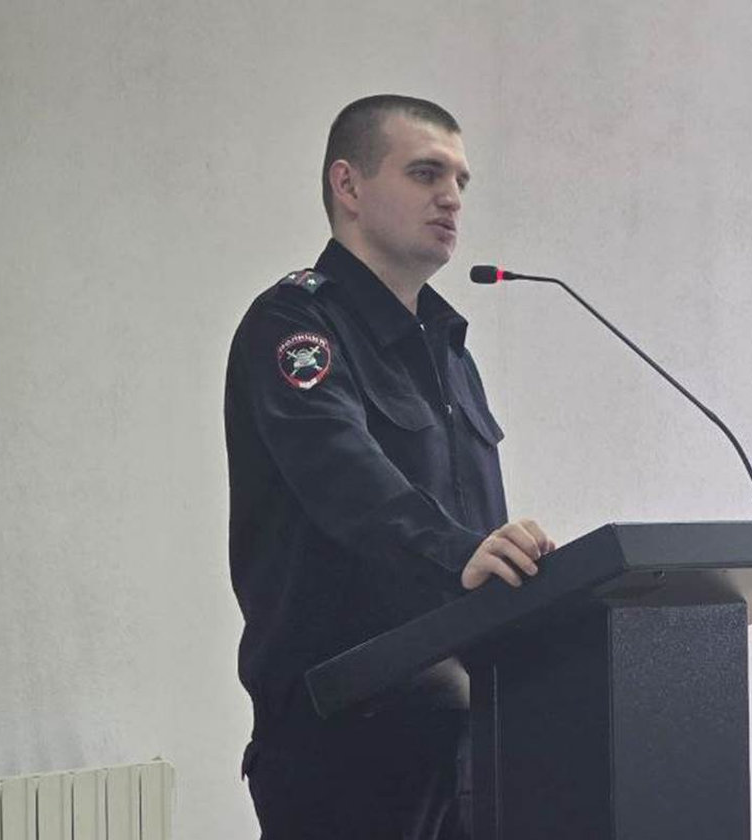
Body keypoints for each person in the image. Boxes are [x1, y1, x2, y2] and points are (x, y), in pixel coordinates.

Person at [224, 94, 555, 839]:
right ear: (348, 185)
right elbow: (344, 477)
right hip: (344, 743)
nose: (452, 197)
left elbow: (474, 518)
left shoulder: (447, 349)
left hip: (468, 730)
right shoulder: (295, 326)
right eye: (426, 173)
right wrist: (461, 553)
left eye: (461, 181)